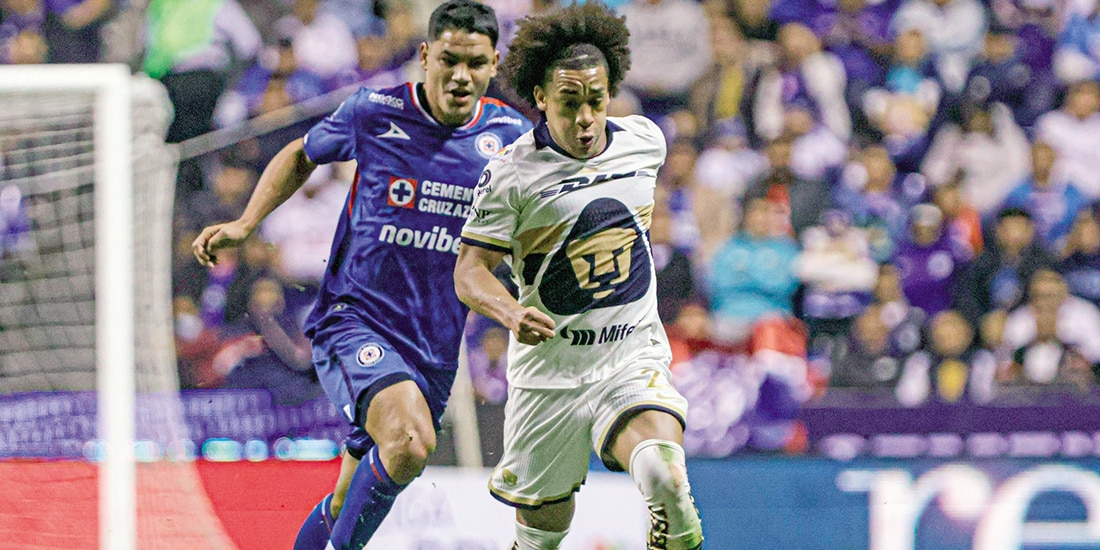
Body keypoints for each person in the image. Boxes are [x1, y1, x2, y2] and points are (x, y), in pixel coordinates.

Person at [192, 1, 532, 548]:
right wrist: (246, 223)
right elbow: (301, 154)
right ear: (426, 55)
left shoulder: (511, 136)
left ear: (493, 65)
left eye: (475, 63)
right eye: (449, 60)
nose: (460, 76)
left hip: (435, 345)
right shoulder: (375, 110)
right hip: (356, 322)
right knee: (409, 440)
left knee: (349, 497)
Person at [453, 3, 704, 549]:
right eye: (570, 103)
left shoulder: (645, 141)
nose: (586, 117)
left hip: (629, 355)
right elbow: (469, 272)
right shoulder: (512, 173)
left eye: (597, 100)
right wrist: (510, 311)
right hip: (550, 374)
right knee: (541, 537)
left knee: (667, 480)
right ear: (541, 98)